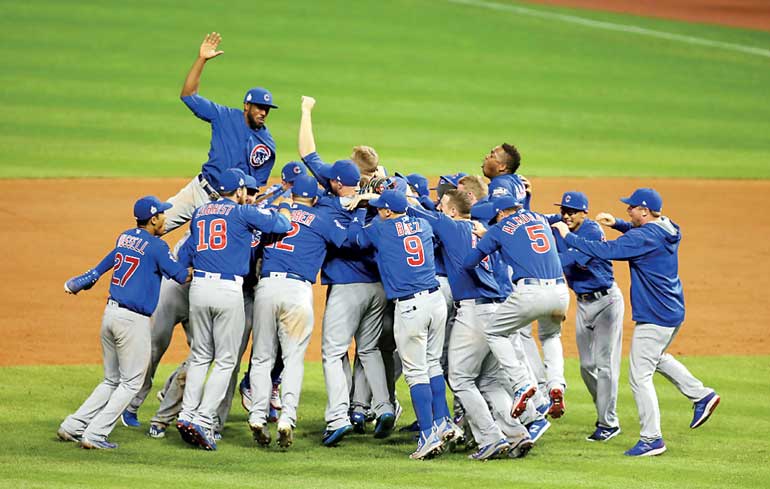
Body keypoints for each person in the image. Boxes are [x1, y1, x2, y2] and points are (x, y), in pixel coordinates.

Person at [551, 188, 720, 456]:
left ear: (644, 210)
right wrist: (618, 224)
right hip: (672, 309)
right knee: (656, 358)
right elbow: (636, 232)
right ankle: (701, 395)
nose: (627, 210)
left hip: (656, 314)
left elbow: (607, 250)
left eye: (631, 207)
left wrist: (567, 236)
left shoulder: (644, 236)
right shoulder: (667, 227)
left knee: (639, 375)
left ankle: (652, 438)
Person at [298, 96, 396, 445]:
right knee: (370, 350)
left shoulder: (329, 201)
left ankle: (338, 417)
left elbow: (307, 154)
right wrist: (379, 178)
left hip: (347, 288)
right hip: (378, 288)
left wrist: (306, 111)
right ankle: (384, 407)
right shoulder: (382, 200)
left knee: (334, 351)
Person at [57, 197, 191, 449]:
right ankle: (95, 433)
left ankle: (73, 426)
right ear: (152, 219)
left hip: (110, 315)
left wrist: (79, 282)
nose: (165, 218)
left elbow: (98, 270)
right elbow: (182, 275)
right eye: (162, 215)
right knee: (131, 383)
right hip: (132, 322)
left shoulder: (125, 237)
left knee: (111, 380)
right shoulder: (157, 247)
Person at [408, 189, 532, 461]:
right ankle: (517, 434)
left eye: (443, 206)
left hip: (477, 311)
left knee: (461, 378)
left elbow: (414, 212)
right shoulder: (484, 230)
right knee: (489, 380)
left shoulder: (452, 227)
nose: (439, 210)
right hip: (502, 308)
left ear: (453, 211)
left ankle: (490, 437)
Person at [175, 168, 291, 451]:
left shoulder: (200, 213)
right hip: (228, 291)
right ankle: (203, 419)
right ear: (239, 191)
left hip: (198, 289)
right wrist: (283, 208)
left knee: (201, 356)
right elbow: (280, 225)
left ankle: (186, 415)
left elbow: (184, 253)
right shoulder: (241, 213)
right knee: (226, 360)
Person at [349, 190, 455, 460]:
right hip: (436, 301)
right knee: (432, 364)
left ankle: (428, 435)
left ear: (385, 211)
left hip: (411, 308)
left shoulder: (381, 228)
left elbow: (355, 239)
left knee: (415, 372)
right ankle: (443, 422)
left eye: (379, 208)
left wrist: (360, 209)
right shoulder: (423, 224)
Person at [248, 174, 349, 449]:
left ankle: (257, 415)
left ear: (293, 196)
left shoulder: (272, 214)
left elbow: (254, 250)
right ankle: (286, 418)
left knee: (261, 358)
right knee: (293, 359)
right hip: (297, 292)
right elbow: (349, 241)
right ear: (314, 199)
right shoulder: (320, 220)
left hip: (267, 287)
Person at [464, 195, 570, 421]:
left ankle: (522, 383)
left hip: (530, 293)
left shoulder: (499, 228)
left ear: (501, 213)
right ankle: (556, 385)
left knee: (495, 332)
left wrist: (487, 238)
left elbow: (470, 261)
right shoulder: (539, 217)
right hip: (561, 292)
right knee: (551, 336)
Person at [164, 32, 279, 232]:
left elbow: (254, 189)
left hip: (224, 207)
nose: (263, 112)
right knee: (158, 222)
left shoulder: (266, 145)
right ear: (246, 105)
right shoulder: (223, 116)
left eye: (266, 109)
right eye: (259, 107)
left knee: (191, 252)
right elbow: (188, 95)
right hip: (199, 189)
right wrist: (202, 60)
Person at [545, 191, 624, 440]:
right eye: (563, 211)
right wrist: (526, 198)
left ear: (584, 213)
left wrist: (541, 262)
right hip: (582, 303)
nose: (566, 215)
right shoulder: (558, 224)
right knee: (586, 366)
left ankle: (608, 423)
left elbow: (572, 259)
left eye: (572, 211)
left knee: (605, 366)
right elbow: (532, 219)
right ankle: (603, 409)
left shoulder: (592, 232)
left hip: (606, 302)